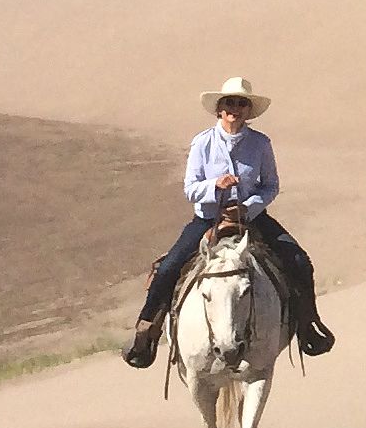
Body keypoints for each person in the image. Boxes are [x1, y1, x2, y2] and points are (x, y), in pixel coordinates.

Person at [123, 76, 334, 366]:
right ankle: (145, 333)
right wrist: (215, 187)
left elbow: (270, 185)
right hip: (208, 219)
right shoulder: (202, 143)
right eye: (230, 103)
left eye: (241, 103)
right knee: (169, 268)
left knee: (299, 261)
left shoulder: (260, 144)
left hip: (252, 219)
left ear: (248, 111)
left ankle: (308, 325)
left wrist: (248, 208)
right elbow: (190, 188)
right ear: (219, 110)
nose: (235, 108)